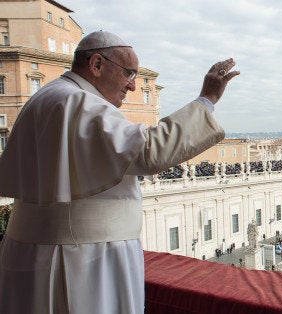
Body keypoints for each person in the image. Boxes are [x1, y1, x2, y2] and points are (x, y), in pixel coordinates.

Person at [0, 31, 239, 314]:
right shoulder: (77, 101)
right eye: (129, 73)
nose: (133, 87)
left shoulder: (49, 96)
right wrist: (207, 99)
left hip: (43, 253)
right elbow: (149, 151)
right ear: (97, 65)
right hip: (81, 261)